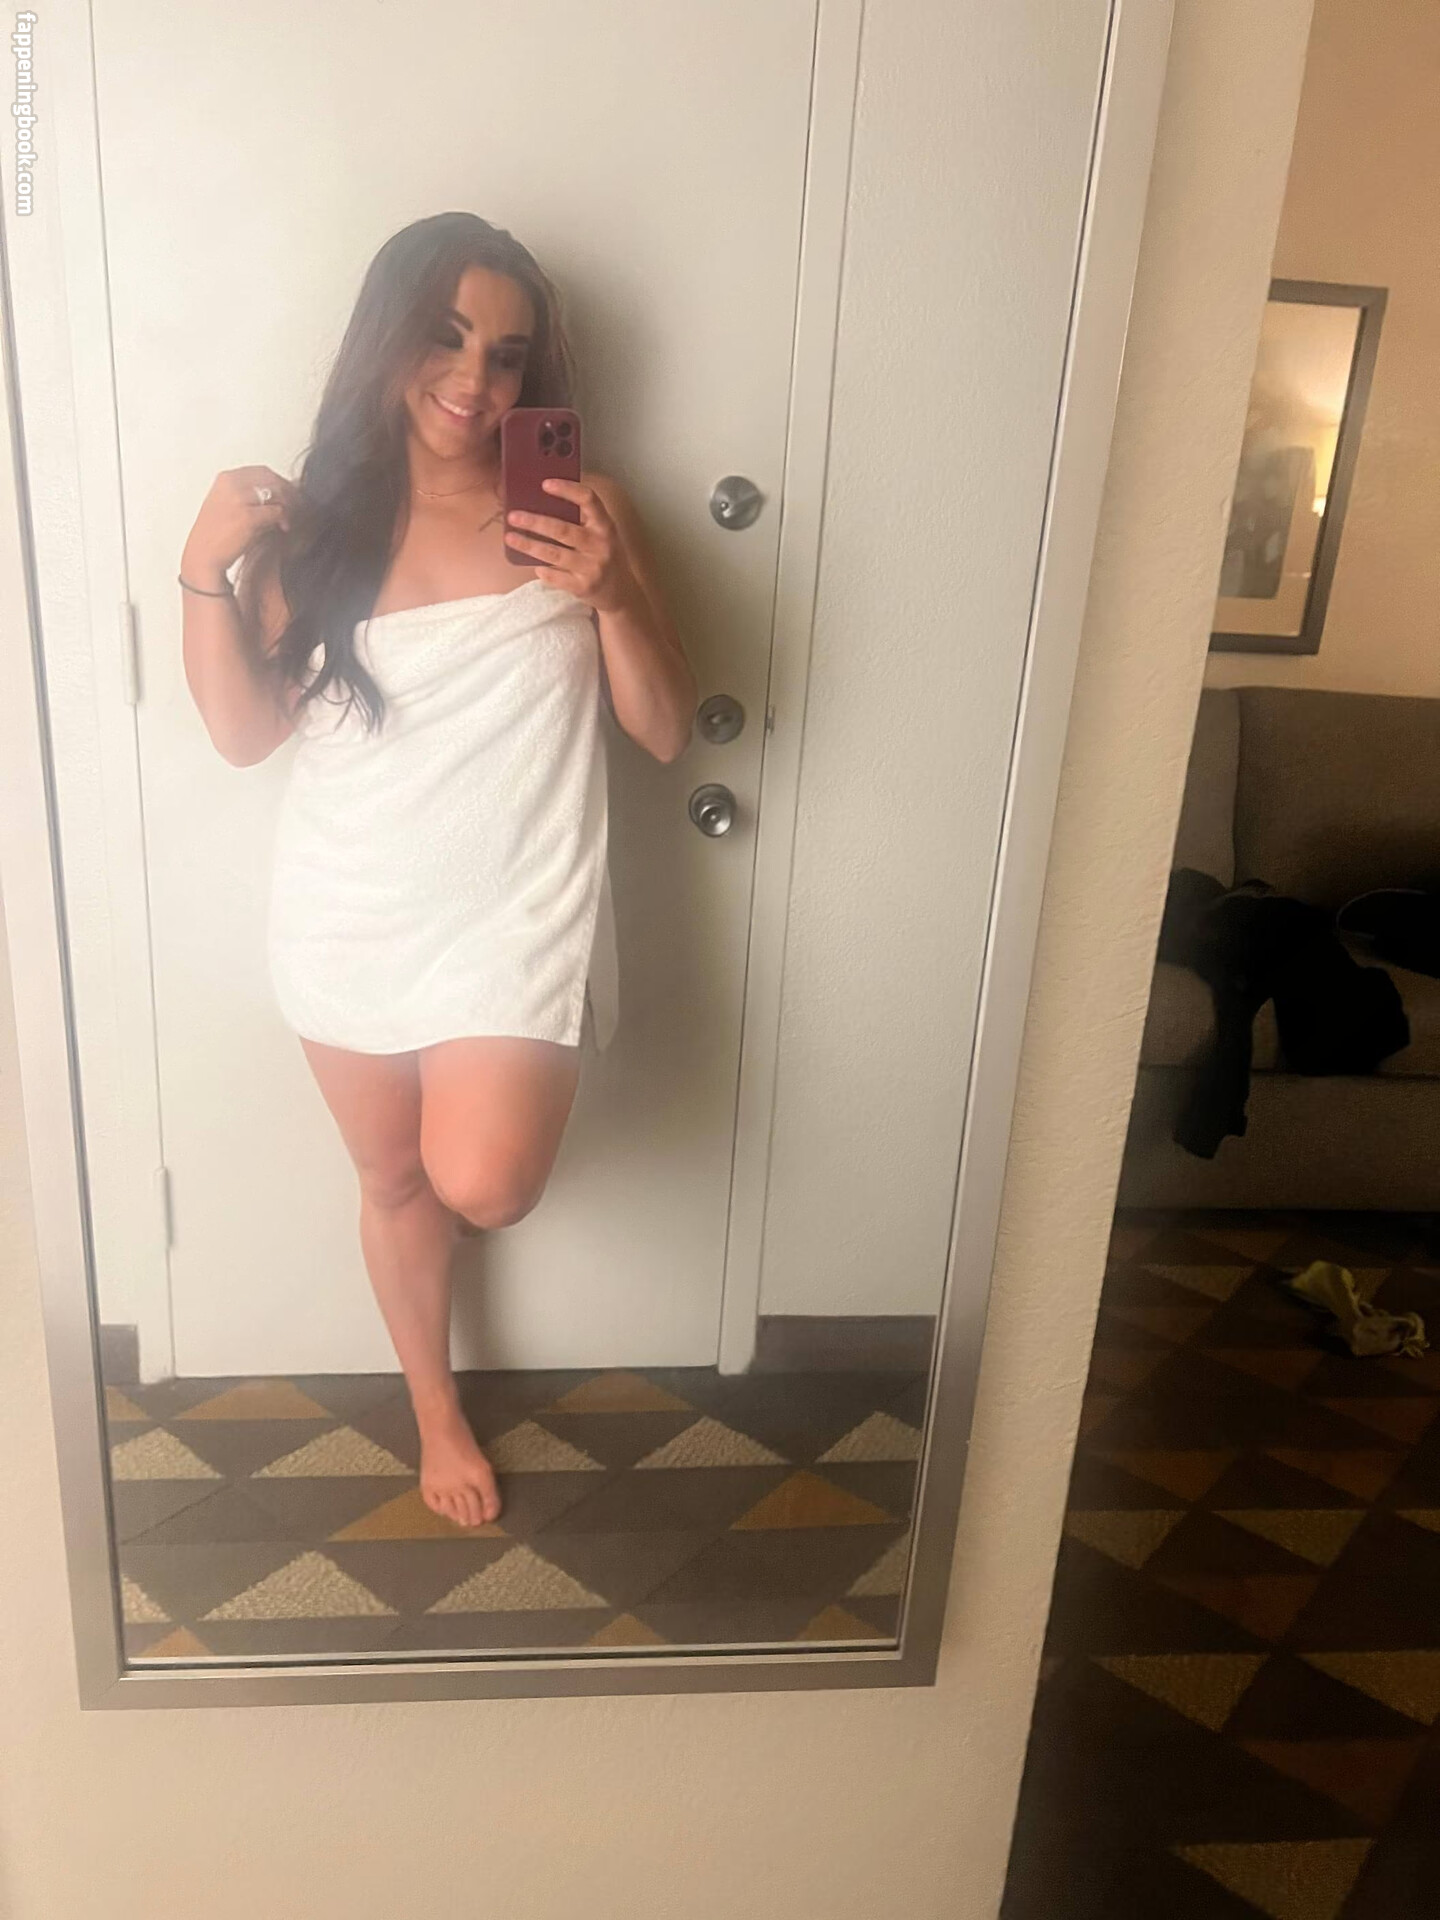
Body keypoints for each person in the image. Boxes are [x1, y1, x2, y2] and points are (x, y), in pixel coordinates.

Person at [177, 211, 697, 1530]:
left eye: (508, 354)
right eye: (447, 337)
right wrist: (201, 571)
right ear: (387, 341)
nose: (476, 378)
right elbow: (242, 737)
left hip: (514, 913)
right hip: (346, 907)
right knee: (393, 1180)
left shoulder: (578, 512)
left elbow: (661, 730)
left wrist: (615, 597)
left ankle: (443, 1353)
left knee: (484, 1182)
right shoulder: (313, 538)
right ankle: (435, 1409)